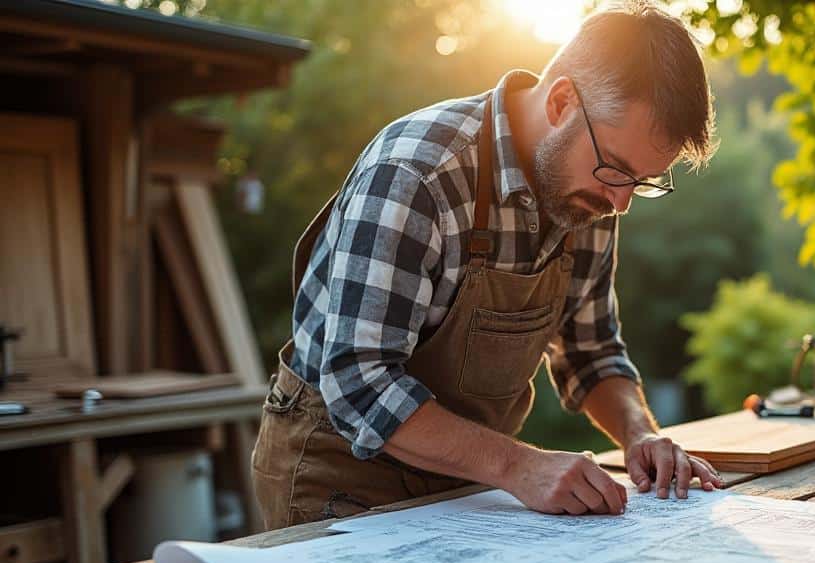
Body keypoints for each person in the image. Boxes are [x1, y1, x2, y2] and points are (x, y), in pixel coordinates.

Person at [251, 1, 724, 529]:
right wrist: (519, 466)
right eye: (616, 169)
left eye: (641, 182)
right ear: (562, 102)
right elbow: (358, 380)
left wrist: (641, 434)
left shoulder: (589, 196)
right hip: (338, 475)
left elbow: (591, 352)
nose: (621, 202)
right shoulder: (417, 173)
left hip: (464, 481)